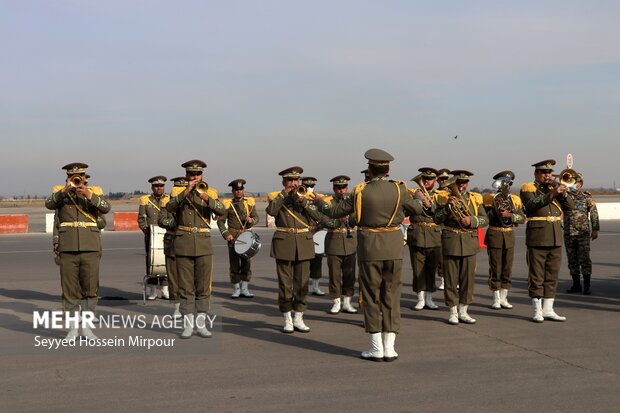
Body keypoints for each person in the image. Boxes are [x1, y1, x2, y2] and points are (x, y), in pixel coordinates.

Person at [314, 149, 424, 362]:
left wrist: (320, 201)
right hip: (393, 247)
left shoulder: (361, 190)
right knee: (391, 295)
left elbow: (335, 213)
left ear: (370, 169)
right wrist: (418, 199)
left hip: (370, 248)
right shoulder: (400, 189)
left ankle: (376, 348)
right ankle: (390, 348)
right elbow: (416, 210)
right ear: (388, 168)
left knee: (372, 295)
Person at [45, 162, 111, 341]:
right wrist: (64, 192)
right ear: (67, 179)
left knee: (90, 289)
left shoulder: (94, 193)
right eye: (73, 177)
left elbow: (106, 208)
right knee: (69, 290)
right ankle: (73, 328)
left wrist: (88, 194)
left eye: (80, 177)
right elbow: (50, 206)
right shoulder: (61, 195)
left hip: (90, 246)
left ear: (84, 178)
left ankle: (87, 328)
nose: (77, 180)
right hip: (68, 247)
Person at [165, 160, 226, 339]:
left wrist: (207, 198)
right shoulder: (178, 192)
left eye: (197, 175)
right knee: (185, 286)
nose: (195, 177)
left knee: (203, 286)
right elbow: (169, 208)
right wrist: (186, 191)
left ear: (202, 175)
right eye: (191, 175)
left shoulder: (210, 191)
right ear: (187, 176)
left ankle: (201, 324)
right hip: (183, 243)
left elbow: (222, 211)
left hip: (203, 243)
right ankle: (187, 324)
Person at [266, 166, 326, 334]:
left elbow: (319, 217)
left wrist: (304, 202)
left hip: (304, 243)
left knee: (301, 283)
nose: (293, 183)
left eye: (296, 180)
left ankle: (299, 317)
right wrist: (285, 194)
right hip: (284, 242)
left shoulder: (307, 197)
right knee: (285, 284)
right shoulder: (278, 197)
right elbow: (271, 211)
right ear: (284, 182)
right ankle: (287, 318)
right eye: (290, 181)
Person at [520, 159, 575, 322]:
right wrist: (553, 193)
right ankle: (537, 309)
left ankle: (548, 308)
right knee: (536, 274)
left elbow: (571, 206)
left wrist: (563, 192)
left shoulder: (555, 188)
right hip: (537, 236)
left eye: (550, 172)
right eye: (544, 173)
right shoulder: (528, 188)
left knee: (552, 274)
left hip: (555, 236)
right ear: (536, 174)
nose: (548, 175)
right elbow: (531, 205)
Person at [434, 170, 488, 325]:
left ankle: (464, 310)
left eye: (464, 183)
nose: (462, 186)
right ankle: (452, 311)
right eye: (458, 183)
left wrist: (471, 220)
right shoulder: (444, 198)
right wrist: (446, 207)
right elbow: (436, 219)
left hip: (469, 242)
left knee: (468, 279)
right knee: (450, 279)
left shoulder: (475, 199)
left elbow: (485, 219)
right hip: (451, 241)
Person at [483, 171, 525, 309]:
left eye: (508, 183)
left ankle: (504, 297)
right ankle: (495, 298)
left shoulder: (515, 200)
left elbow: (521, 219)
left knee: (507, 268)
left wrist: (510, 215)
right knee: (495, 268)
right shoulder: (490, 198)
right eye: (503, 183)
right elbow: (486, 217)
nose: (506, 186)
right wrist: (495, 208)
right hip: (495, 234)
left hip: (508, 235)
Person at [217, 179, 260, 298]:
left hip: (246, 236)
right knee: (234, 264)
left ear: (243, 190)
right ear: (233, 191)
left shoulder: (249, 204)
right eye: (236, 190)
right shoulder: (228, 205)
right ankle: (236, 289)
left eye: (240, 190)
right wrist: (226, 234)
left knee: (246, 264)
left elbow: (256, 218)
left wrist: (251, 220)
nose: (239, 192)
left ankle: (245, 289)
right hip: (233, 237)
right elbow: (220, 222)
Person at [323, 175, 358, 314]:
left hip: (350, 241)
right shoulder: (328, 203)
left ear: (347, 188)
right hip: (334, 240)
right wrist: (338, 221)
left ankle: (347, 302)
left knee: (350, 274)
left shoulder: (353, 202)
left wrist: (351, 219)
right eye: (338, 187)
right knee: (334, 274)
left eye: (343, 187)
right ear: (334, 188)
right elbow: (324, 220)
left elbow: (358, 217)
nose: (341, 190)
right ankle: (336, 301)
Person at [407, 167, 440, 311]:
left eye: (430, 179)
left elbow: (441, 213)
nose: (426, 181)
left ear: (435, 181)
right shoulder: (413, 194)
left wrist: (429, 203)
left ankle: (429, 297)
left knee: (431, 268)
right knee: (418, 267)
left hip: (434, 234)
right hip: (417, 233)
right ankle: (420, 298)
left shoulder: (441, 195)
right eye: (424, 179)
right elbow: (407, 210)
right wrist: (417, 199)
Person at [563, 173, 599, 295]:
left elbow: (594, 214)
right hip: (568, 232)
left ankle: (587, 286)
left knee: (584, 259)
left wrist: (595, 229)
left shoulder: (586, 197)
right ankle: (576, 285)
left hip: (582, 233)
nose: (574, 185)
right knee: (572, 260)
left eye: (576, 182)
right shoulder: (564, 197)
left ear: (580, 184)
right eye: (571, 182)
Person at [158, 176, 187, 319]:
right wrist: (176, 223)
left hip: (188, 242)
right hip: (172, 241)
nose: (180, 190)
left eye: (183, 187)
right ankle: (177, 306)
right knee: (174, 276)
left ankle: (189, 305)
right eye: (178, 188)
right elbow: (161, 220)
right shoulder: (166, 201)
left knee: (189, 276)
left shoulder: (190, 199)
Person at [138, 176, 170, 300]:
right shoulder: (146, 200)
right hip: (151, 236)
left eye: (161, 186)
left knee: (166, 263)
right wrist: (145, 229)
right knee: (150, 262)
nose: (159, 188)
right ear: (152, 187)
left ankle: (165, 289)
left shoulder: (169, 199)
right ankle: (152, 290)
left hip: (166, 235)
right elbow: (141, 218)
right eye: (156, 186)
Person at [301, 176, 327, 296]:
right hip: (304, 232)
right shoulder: (298, 198)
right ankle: (302, 286)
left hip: (316, 231)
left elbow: (324, 215)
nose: (309, 188)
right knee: (303, 261)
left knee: (317, 261)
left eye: (312, 186)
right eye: (307, 186)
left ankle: (315, 286)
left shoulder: (319, 198)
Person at [434, 168, 451, 291]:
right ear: (437, 181)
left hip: (453, 228)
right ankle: (443, 279)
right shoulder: (435, 194)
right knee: (441, 256)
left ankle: (454, 279)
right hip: (440, 228)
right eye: (441, 179)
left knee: (453, 255)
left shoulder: (453, 193)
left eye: (445, 179)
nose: (443, 181)